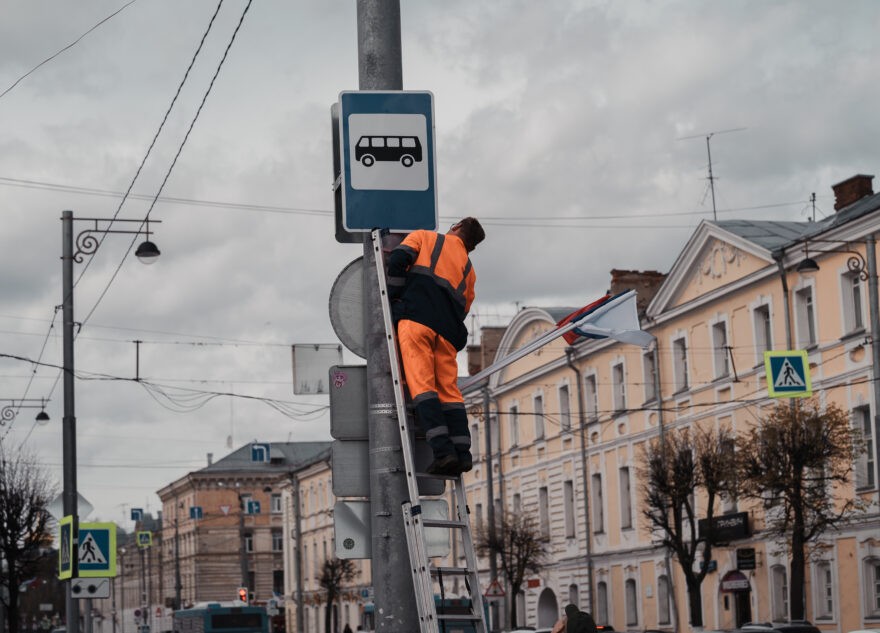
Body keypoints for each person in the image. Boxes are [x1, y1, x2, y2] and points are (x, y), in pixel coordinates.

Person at [387, 217, 486, 476]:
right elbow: (463, 308)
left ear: (455, 227)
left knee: (423, 389)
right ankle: (463, 454)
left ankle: (443, 453)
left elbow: (398, 259)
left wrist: (394, 298)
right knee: (449, 392)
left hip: (415, 321)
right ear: (471, 245)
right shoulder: (469, 270)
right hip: (446, 335)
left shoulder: (425, 237)